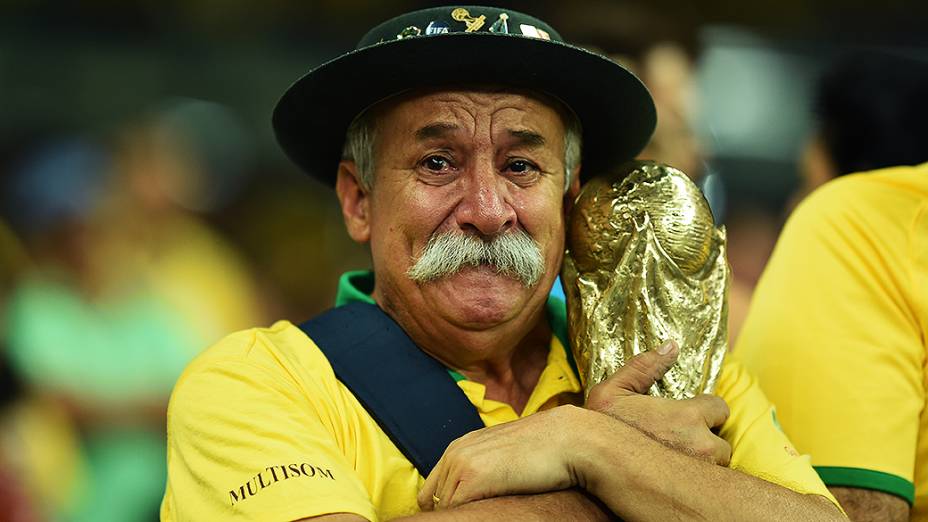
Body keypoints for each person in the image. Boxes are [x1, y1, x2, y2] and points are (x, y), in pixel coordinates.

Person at [161, 6, 845, 521]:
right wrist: (626, 475)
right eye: (437, 162)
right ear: (359, 197)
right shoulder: (256, 384)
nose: (488, 210)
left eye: (521, 165)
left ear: (570, 197)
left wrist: (588, 443)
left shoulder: (679, 361)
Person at [736, 52, 928, 522]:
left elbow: (846, 512)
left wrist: (599, 452)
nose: (794, 206)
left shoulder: (855, 223)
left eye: (807, 183)